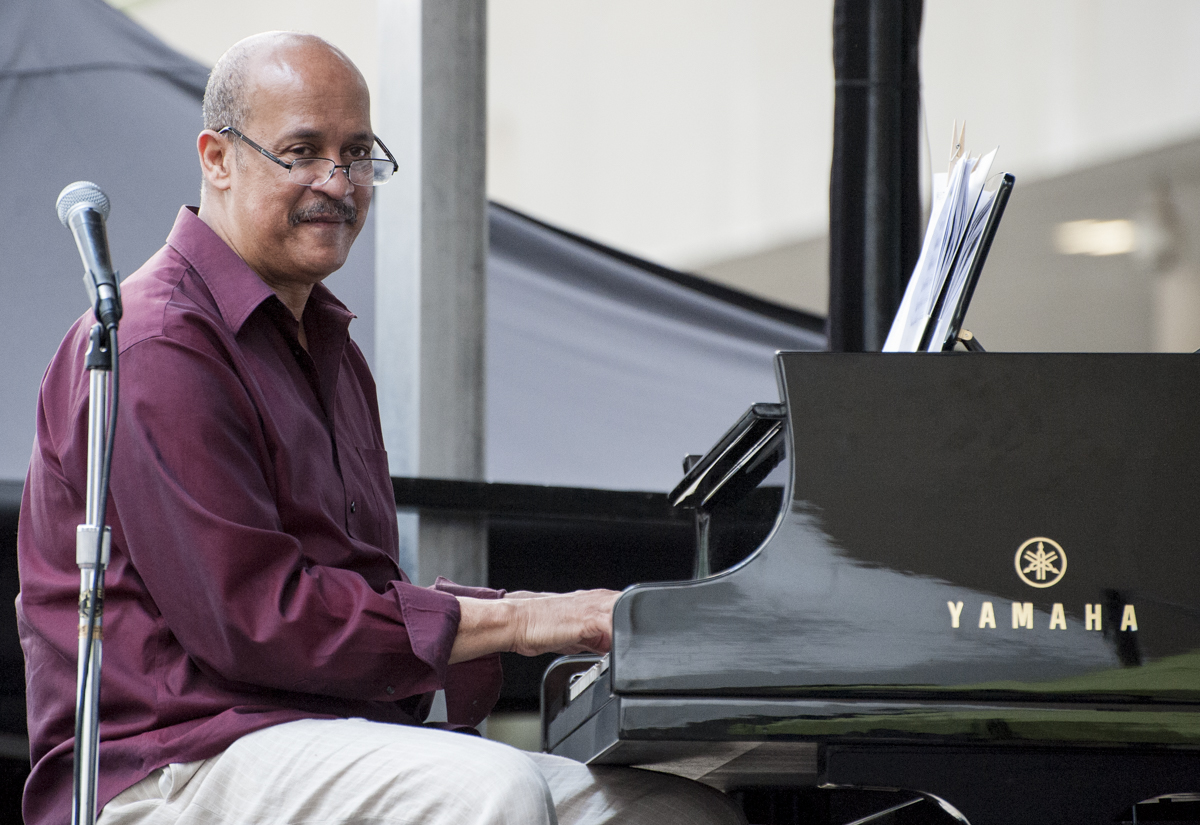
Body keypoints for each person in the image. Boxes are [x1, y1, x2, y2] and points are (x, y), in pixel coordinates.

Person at [17, 31, 747, 825]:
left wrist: (562, 623)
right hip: (171, 765)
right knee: (488, 791)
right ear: (217, 158)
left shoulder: (329, 346)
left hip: (314, 734)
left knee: (671, 809)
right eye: (301, 151)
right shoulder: (160, 340)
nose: (338, 182)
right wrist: (528, 619)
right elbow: (258, 621)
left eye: (358, 152)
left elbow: (361, 592)